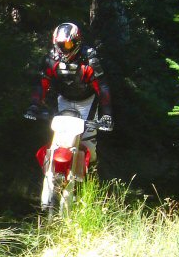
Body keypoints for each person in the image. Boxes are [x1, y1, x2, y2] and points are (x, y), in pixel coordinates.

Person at [24, 22, 113, 170]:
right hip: (64, 100)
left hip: (87, 102)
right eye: (59, 45)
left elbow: (102, 87)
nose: (63, 49)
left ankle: (90, 177)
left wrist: (107, 115)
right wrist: (34, 104)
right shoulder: (51, 59)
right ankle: (55, 174)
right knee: (60, 139)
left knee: (88, 143)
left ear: (77, 42)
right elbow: (42, 83)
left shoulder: (90, 60)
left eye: (67, 45)